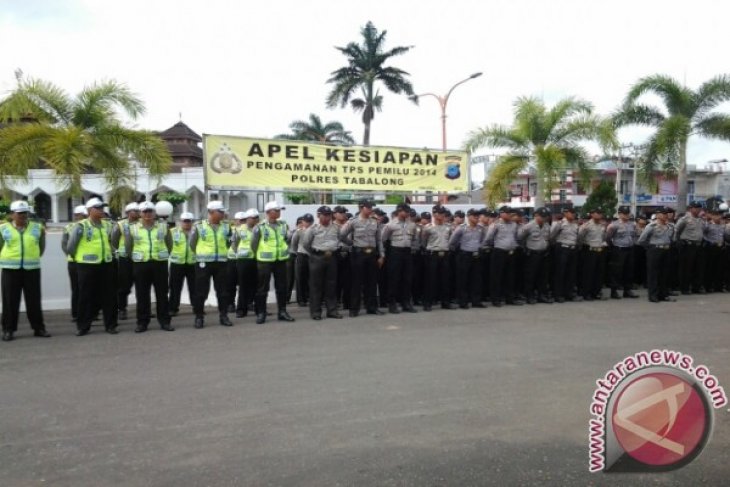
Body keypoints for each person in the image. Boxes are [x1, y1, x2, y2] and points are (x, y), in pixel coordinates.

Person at [66, 197, 119, 336]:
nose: (102, 210)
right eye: (98, 208)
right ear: (90, 210)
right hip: (86, 265)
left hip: (106, 264)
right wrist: (78, 260)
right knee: (86, 296)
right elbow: (71, 246)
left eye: (102, 208)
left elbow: (113, 242)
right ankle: (83, 326)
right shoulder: (81, 225)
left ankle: (111, 325)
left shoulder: (108, 225)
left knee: (109, 296)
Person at [0, 201, 49, 341]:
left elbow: (41, 247)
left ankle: (39, 328)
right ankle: (8, 330)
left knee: (34, 300)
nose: (23, 215)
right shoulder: (3, 229)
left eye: (25, 213)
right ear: (12, 214)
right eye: (19, 213)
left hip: (31, 269)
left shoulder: (37, 228)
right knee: (10, 302)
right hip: (10, 270)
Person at [125, 201, 173, 332]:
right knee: (142, 294)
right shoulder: (133, 228)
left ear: (154, 213)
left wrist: (163, 255)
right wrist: (137, 257)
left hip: (159, 263)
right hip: (141, 264)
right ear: (140, 214)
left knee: (162, 294)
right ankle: (142, 322)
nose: (147, 214)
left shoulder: (163, 227)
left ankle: (164, 321)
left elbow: (169, 244)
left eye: (150, 211)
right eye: (145, 212)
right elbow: (128, 247)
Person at [189, 201, 233, 328]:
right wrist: (201, 254)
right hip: (203, 263)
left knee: (223, 291)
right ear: (211, 212)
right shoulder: (198, 226)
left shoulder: (226, 226)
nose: (223, 214)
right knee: (201, 291)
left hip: (221, 263)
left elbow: (229, 243)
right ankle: (199, 317)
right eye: (220, 211)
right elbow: (192, 244)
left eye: (223, 211)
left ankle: (224, 316)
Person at [251, 201, 295, 324]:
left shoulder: (283, 225)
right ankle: (261, 313)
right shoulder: (259, 227)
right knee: (262, 289)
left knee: (282, 287)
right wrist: (259, 255)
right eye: (277, 210)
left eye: (279, 210)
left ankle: (282, 312)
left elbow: (286, 239)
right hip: (264, 261)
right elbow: (253, 245)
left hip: (280, 260)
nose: (279, 212)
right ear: (268, 212)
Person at [340, 199, 384, 317]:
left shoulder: (375, 221)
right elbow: (341, 235)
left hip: (372, 254)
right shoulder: (353, 221)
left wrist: (381, 255)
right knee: (356, 282)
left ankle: (372, 307)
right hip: (358, 253)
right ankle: (354, 309)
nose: (370, 209)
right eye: (368, 207)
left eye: (371, 207)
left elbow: (379, 240)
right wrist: (351, 243)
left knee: (372, 282)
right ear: (361, 208)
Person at [302, 206, 342, 320]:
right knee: (316, 286)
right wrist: (315, 254)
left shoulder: (336, 227)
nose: (327, 217)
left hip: (332, 257)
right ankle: (316, 312)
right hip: (317, 257)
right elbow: (306, 244)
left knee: (331, 284)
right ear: (318, 215)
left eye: (329, 215)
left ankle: (332, 311)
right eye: (324, 215)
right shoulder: (313, 229)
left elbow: (340, 238)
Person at [380, 203, 418, 314]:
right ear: (399, 211)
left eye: (408, 211)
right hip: (395, 252)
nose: (407, 213)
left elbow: (414, 239)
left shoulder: (412, 225)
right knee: (394, 278)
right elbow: (383, 239)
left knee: (407, 278)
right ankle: (392, 303)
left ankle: (406, 303)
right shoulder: (390, 225)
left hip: (407, 252)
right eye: (405, 211)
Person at [485, 206, 522, 307]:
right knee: (496, 276)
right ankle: (495, 299)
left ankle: (509, 298)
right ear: (501, 214)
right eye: (507, 213)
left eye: (511, 213)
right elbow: (489, 238)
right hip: (499, 252)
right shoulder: (496, 224)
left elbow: (516, 237)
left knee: (510, 276)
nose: (510, 215)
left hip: (510, 253)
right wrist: (495, 246)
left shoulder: (514, 225)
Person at [421, 205, 456, 311]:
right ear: (434, 214)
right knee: (430, 280)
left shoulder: (448, 227)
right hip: (433, 254)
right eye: (439, 213)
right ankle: (428, 303)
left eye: (443, 213)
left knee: (445, 279)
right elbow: (423, 241)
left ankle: (445, 302)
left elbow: (451, 240)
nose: (442, 215)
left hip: (445, 254)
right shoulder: (428, 227)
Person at [449, 208, 486, 309]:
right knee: (463, 279)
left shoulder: (481, 228)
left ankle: (476, 300)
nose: (477, 217)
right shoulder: (462, 228)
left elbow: (483, 240)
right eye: (474, 215)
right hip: (464, 255)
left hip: (476, 255)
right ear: (469, 216)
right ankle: (463, 301)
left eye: (478, 215)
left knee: (477, 279)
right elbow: (452, 241)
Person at [637, 208, 676, 303]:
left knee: (664, 273)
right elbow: (641, 240)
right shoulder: (651, 226)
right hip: (654, 250)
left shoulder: (670, 226)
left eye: (666, 214)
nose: (665, 215)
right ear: (657, 215)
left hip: (666, 250)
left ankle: (663, 294)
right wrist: (651, 248)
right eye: (663, 213)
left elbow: (672, 239)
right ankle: (653, 295)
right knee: (653, 274)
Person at [111, 202, 140, 321]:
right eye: (135, 211)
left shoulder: (142, 223)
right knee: (124, 286)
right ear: (128, 213)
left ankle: (143, 309)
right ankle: (122, 309)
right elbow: (114, 240)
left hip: (140, 258)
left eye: (138, 211)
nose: (137, 213)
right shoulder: (120, 224)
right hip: (125, 259)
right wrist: (122, 251)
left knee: (141, 285)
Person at [518, 207, 552, 304]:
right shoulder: (528, 226)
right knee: (530, 276)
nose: (545, 218)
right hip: (532, 254)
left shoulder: (546, 226)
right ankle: (529, 296)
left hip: (543, 254)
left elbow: (548, 238)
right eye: (543, 216)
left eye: (546, 217)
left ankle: (542, 295)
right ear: (536, 215)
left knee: (543, 276)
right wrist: (526, 249)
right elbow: (520, 238)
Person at [230, 209, 259, 317]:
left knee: (257, 285)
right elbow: (234, 244)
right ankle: (241, 310)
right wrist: (239, 254)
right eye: (253, 218)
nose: (255, 220)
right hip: (243, 260)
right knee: (243, 285)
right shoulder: (239, 229)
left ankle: (258, 309)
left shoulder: (260, 228)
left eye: (257, 217)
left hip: (257, 259)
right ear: (247, 219)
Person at [61, 205, 87, 322]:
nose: (83, 217)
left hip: (88, 262)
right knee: (76, 288)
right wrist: (72, 255)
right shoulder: (69, 227)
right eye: (82, 215)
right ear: (76, 215)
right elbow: (64, 245)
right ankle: (76, 314)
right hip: (74, 263)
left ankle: (89, 312)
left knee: (87, 288)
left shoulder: (90, 226)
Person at [606, 206, 639, 299]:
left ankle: (627, 290)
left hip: (629, 249)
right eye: (624, 213)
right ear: (619, 214)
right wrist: (613, 247)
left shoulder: (632, 224)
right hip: (618, 249)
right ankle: (614, 291)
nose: (626, 215)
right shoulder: (614, 225)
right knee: (616, 271)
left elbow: (634, 235)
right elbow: (608, 238)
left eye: (627, 213)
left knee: (629, 270)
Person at [550, 207, 581, 303]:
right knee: (560, 272)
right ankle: (558, 294)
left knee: (571, 273)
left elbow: (578, 238)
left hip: (572, 249)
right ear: (566, 213)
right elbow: (552, 237)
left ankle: (569, 293)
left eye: (574, 213)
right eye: (571, 213)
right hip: (562, 248)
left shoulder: (575, 225)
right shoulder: (559, 224)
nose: (573, 215)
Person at [168, 212, 196, 317]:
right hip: (177, 263)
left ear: (192, 222)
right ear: (180, 221)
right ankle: (173, 308)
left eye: (189, 221)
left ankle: (197, 307)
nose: (187, 223)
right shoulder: (172, 232)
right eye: (185, 221)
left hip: (192, 263)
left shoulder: (197, 232)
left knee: (195, 287)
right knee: (175, 287)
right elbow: (166, 244)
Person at [675, 201, 706, 294]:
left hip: (698, 246)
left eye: (699, 208)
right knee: (686, 268)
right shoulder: (684, 219)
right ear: (690, 208)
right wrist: (678, 242)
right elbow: (676, 231)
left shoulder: (701, 220)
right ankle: (684, 288)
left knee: (698, 268)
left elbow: (702, 232)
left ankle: (696, 287)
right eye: (696, 208)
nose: (698, 210)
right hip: (688, 246)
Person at [578, 208, 608, 301]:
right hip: (589, 250)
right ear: (591, 214)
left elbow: (604, 237)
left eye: (600, 213)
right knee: (588, 273)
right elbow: (580, 238)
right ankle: (586, 293)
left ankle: (596, 292)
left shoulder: (603, 225)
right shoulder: (586, 225)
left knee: (599, 273)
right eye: (597, 213)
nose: (599, 215)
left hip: (600, 250)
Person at [291, 214, 312, 307]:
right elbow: (294, 244)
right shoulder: (298, 232)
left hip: (311, 256)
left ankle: (309, 297)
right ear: (302, 222)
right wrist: (298, 253)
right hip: (301, 256)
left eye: (309, 221)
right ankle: (301, 300)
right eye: (305, 221)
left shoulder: (314, 231)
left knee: (311, 279)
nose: (307, 223)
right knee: (300, 279)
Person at [333, 206, 351, 310]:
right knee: (335, 280)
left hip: (348, 253)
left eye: (344, 212)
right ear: (335, 214)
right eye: (340, 212)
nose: (343, 214)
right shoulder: (331, 226)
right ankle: (335, 302)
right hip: (336, 253)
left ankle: (347, 302)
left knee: (347, 280)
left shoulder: (349, 225)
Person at [703, 208, 725, 293]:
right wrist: (709, 241)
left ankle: (718, 286)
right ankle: (708, 286)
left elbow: (724, 236)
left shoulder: (722, 226)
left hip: (721, 247)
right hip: (711, 248)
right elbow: (703, 235)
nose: (718, 217)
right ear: (712, 216)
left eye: (719, 215)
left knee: (719, 268)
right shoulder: (708, 225)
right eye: (715, 215)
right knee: (710, 267)